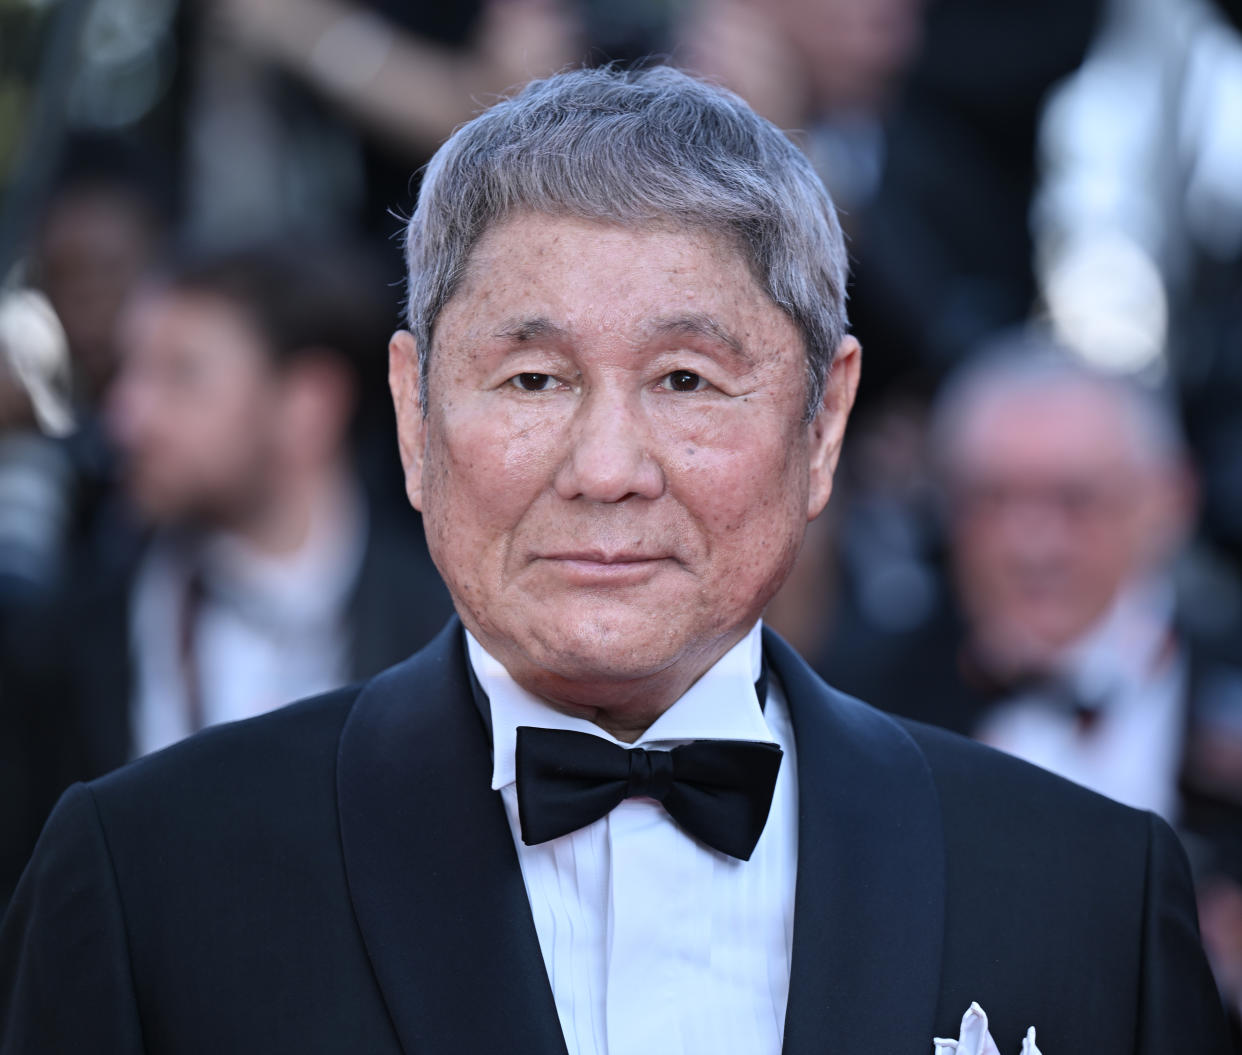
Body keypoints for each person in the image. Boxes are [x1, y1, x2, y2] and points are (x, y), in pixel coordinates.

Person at [0, 66, 1230, 1054]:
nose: (605, 466)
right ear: (413, 413)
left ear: (823, 425)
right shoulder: (150, 880)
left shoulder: (1085, 892)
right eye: (533, 379)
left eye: (687, 380)